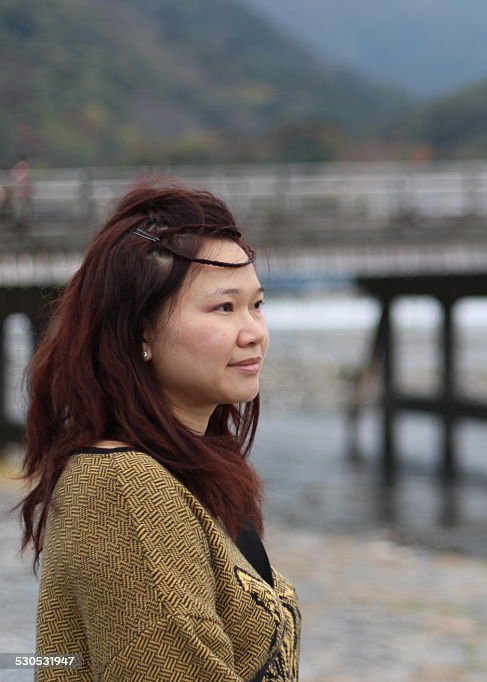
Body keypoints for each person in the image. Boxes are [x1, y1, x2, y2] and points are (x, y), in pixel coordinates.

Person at [16, 185, 300, 680]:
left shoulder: (185, 468)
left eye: (257, 304)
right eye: (224, 308)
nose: (255, 330)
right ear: (141, 331)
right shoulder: (123, 487)